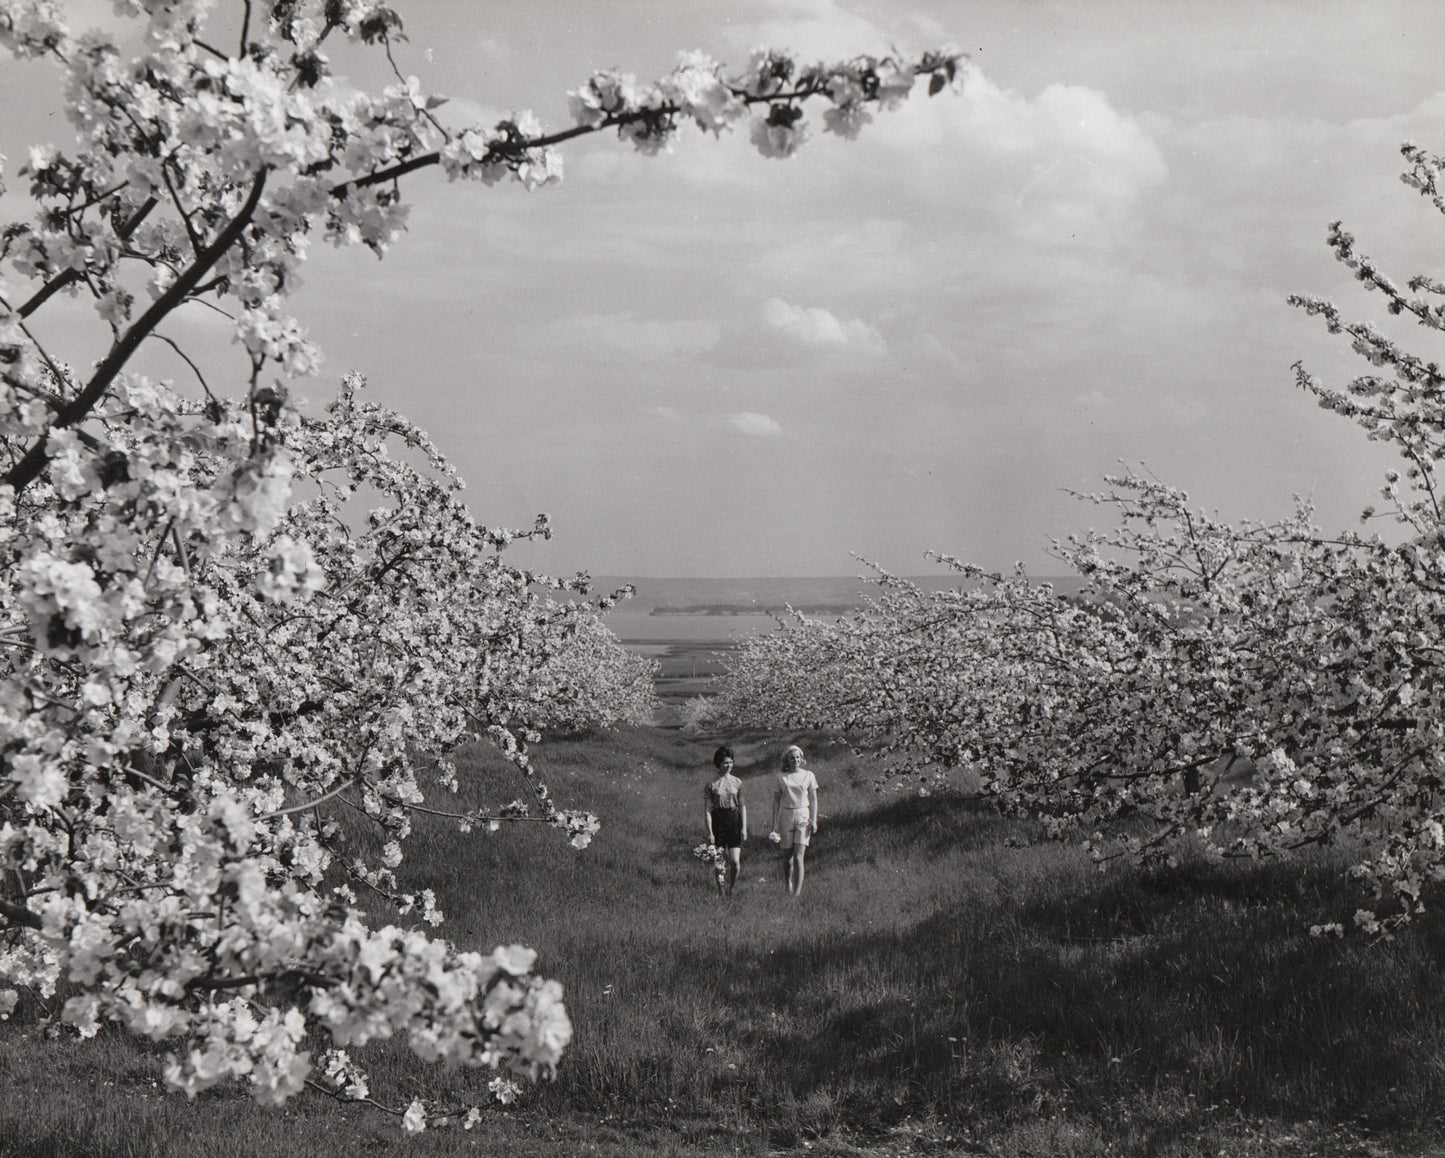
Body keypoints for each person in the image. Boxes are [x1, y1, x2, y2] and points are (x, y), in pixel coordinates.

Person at [770, 744, 818, 896]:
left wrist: (814, 819)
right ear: (787, 760)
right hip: (786, 816)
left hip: (803, 815)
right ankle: (788, 884)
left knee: (799, 857)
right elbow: (776, 801)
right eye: (792, 758)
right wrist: (774, 825)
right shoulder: (781, 777)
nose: (795, 760)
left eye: (798, 757)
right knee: (788, 858)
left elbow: (814, 799)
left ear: (801, 759)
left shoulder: (809, 775)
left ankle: (797, 894)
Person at [703, 745, 747, 897]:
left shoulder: (737, 782)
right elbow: (707, 810)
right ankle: (720, 890)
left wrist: (744, 828)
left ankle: (732, 888)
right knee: (719, 863)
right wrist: (710, 832)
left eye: (730, 762)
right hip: (718, 821)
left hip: (733, 820)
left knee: (735, 861)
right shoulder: (711, 784)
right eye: (725, 762)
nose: (728, 765)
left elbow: (742, 807)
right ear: (718, 763)